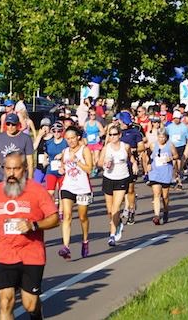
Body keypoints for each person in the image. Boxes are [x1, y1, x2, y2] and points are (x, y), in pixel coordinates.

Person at [0, 152, 59, 320]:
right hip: (4, 252)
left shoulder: (37, 190)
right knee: (5, 301)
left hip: (31, 253)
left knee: (30, 304)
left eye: (16, 169)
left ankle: (37, 313)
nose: (11, 173)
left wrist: (33, 225)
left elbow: (55, 219)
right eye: (7, 168)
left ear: (24, 169)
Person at [57, 127, 93, 260]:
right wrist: (61, 168)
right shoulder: (65, 151)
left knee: (82, 217)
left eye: (73, 138)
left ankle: (85, 241)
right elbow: (63, 167)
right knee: (67, 216)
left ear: (78, 137)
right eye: (68, 138)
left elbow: (90, 169)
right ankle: (66, 246)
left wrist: (77, 160)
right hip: (68, 186)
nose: (71, 141)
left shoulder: (85, 150)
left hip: (83, 188)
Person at [98, 126, 134, 246]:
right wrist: (105, 163)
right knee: (109, 210)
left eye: (115, 134)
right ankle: (117, 223)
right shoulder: (106, 148)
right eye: (111, 134)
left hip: (122, 178)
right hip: (109, 178)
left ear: (119, 135)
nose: (112, 137)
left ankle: (112, 235)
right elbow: (98, 163)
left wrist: (134, 164)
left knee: (116, 207)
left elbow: (131, 158)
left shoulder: (125, 146)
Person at [0, 113, 35, 189]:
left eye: (13, 124)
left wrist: (30, 178)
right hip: (2, 177)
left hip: (20, 177)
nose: (10, 127)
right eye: (8, 124)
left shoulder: (26, 138)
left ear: (18, 125)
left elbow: (30, 161)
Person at [117, 112, 143, 225]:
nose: (123, 124)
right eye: (122, 122)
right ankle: (124, 208)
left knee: (130, 189)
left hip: (130, 163)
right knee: (120, 191)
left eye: (125, 122)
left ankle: (131, 211)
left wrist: (132, 150)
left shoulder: (135, 132)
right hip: (117, 165)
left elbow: (141, 146)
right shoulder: (116, 133)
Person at [147, 130, 176, 225]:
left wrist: (170, 158)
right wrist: (148, 164)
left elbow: (176, 155)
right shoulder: (152, 145)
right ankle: (156, 215)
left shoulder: (170, 145)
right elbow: (148, 155)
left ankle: (166, 210)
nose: (161, 139)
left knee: (165, 196)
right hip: (155, 172)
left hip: (166, 172)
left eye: (163, 137)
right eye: (159, 137)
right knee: (156, 194)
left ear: (166, 137)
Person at [165, 111, 188, 189]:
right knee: (173, 164)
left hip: (181, 147)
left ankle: (179, 181)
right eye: (175, 118)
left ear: (180, 118)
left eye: (178, 118)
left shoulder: (184, 127)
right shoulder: (169, 127)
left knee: (179, 166)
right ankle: (174, 179)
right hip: (172, 147)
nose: (176, 120)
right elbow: (165, 136)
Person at [83, 108, 105, 178]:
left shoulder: (97, 123)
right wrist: (85, 140)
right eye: (91, 115)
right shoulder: (86, 123)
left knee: (96, 156)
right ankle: (92, 168)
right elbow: (84, 133)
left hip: (96, 142)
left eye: (94, 115)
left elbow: (103, 131)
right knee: (90, 156)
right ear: (89, 115)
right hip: (89, 142)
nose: (92, 116)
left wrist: (98, 136)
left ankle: (95, 169)